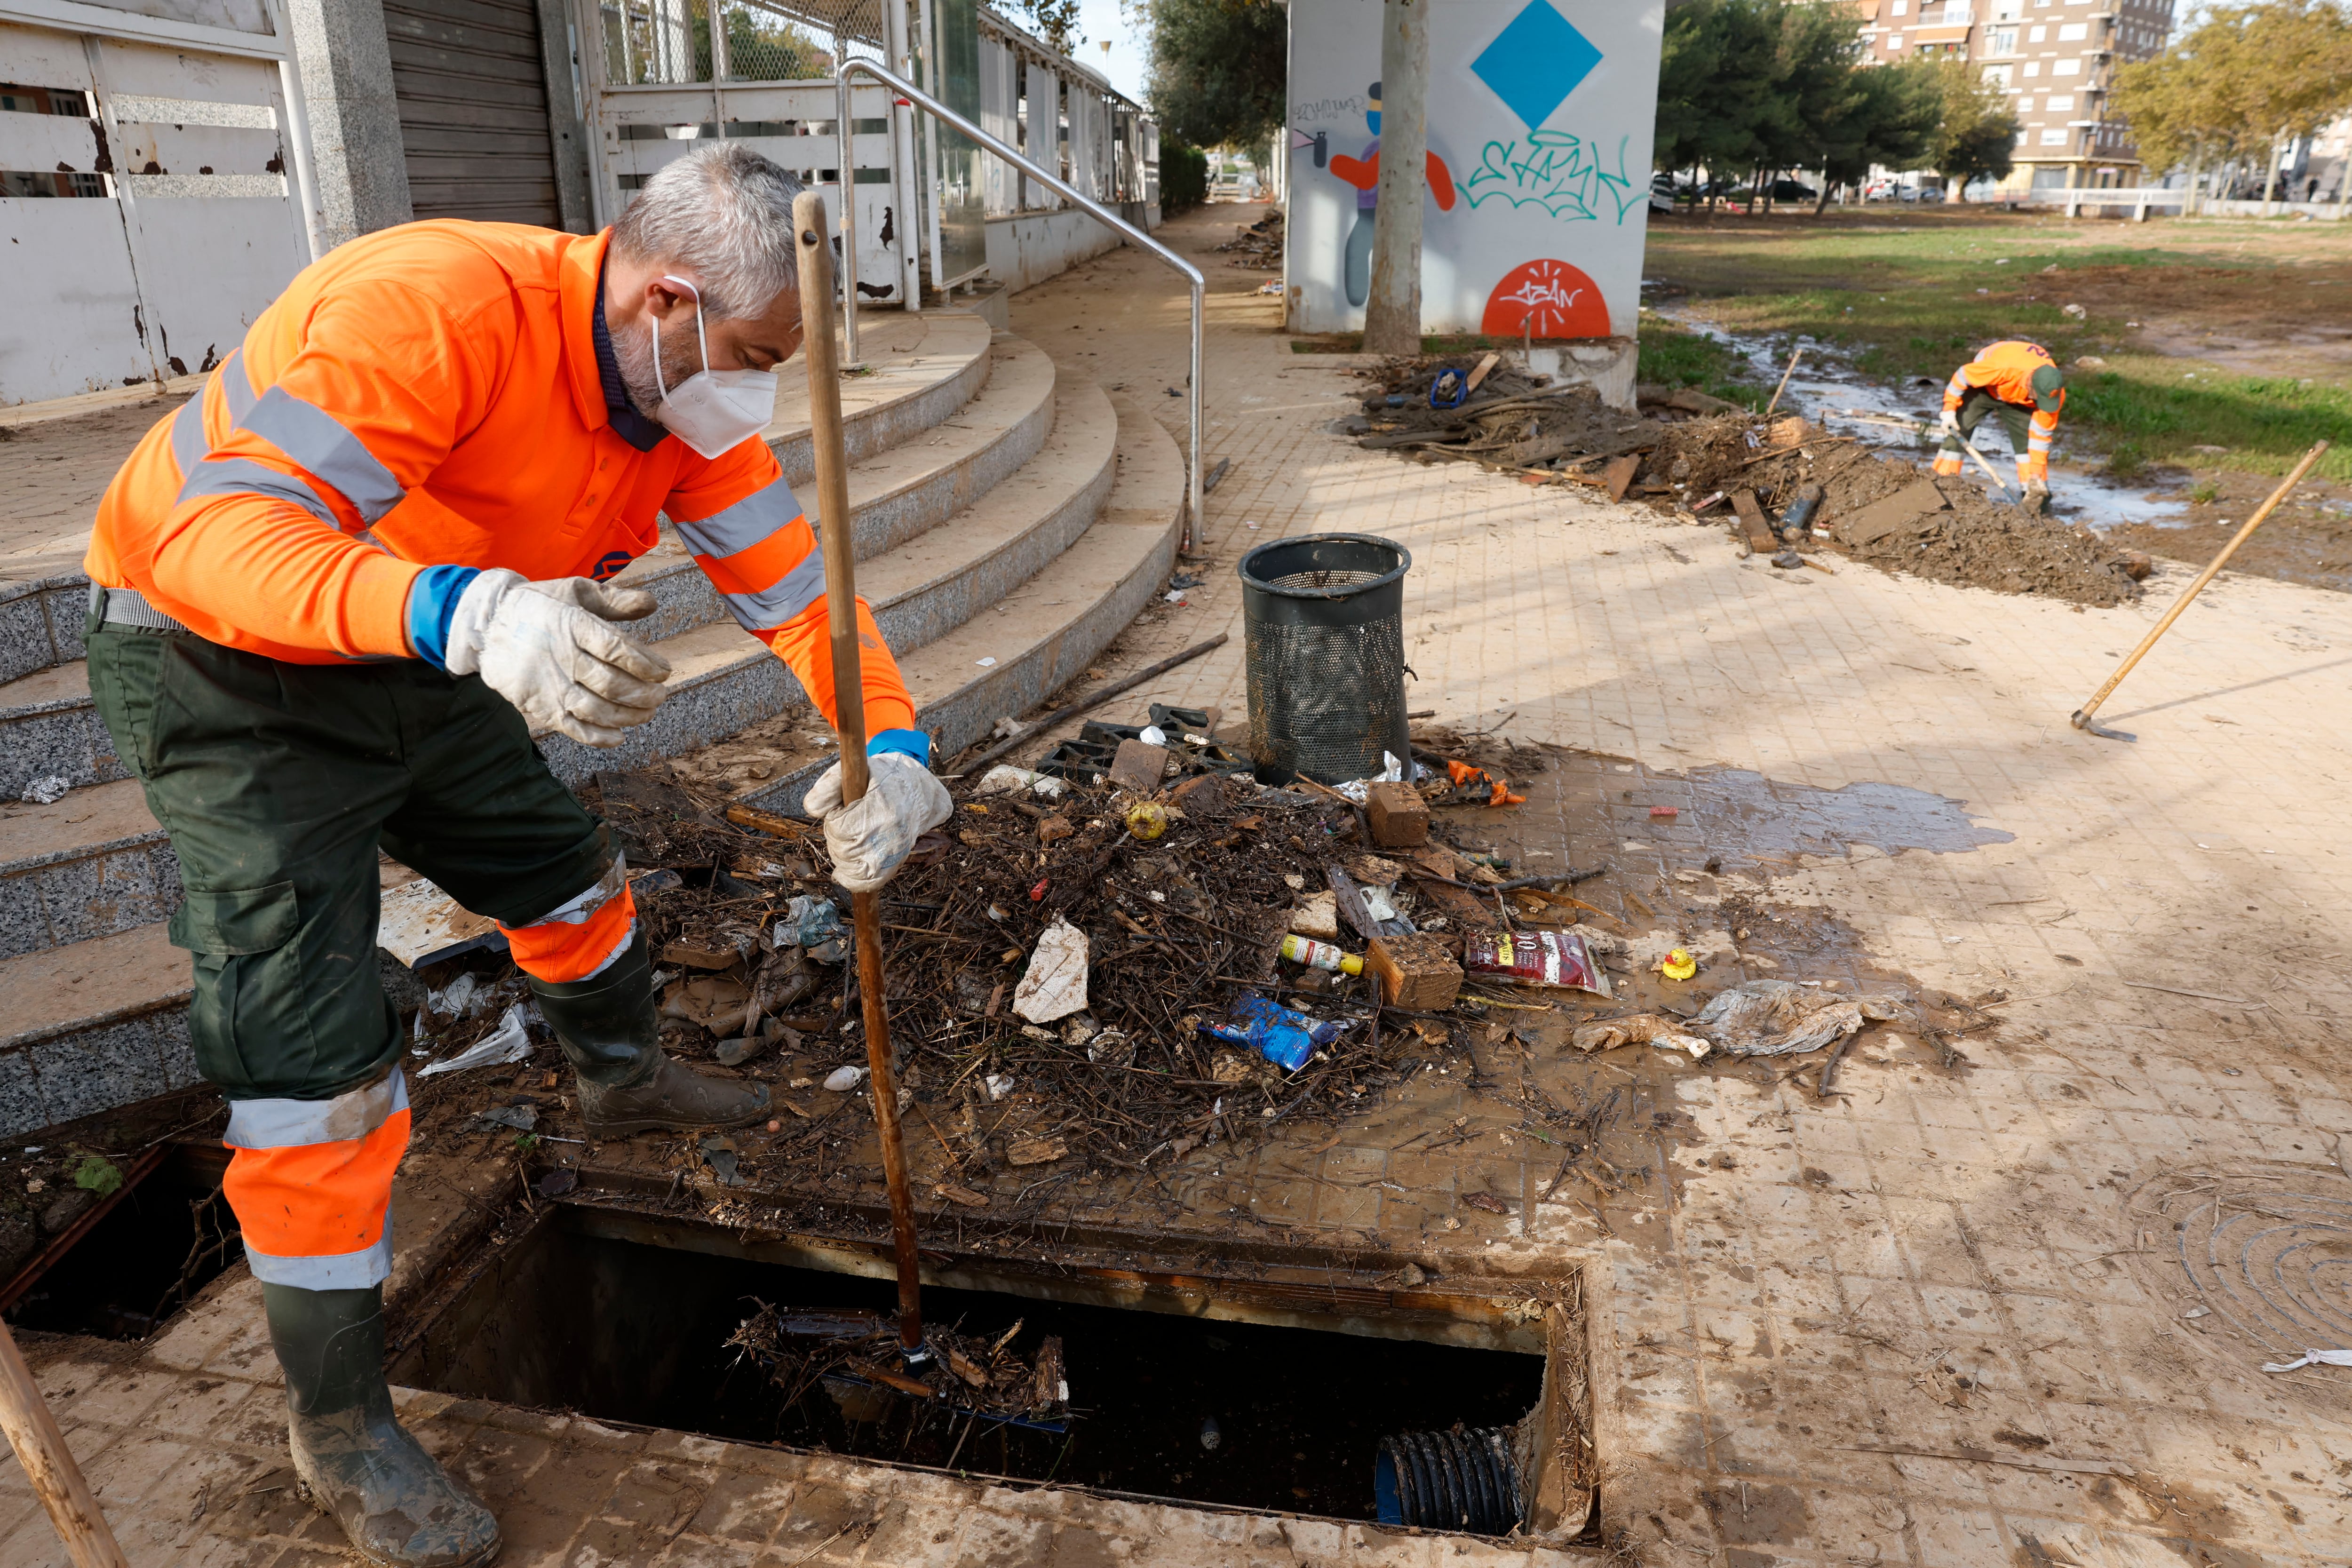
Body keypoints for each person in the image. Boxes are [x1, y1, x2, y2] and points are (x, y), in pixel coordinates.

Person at [80, 143, 951, 1567]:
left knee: (567, 875)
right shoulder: (435, 311)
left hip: (411, 636)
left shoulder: (679, 403)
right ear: (663, 298)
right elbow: (212, 535)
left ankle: (619, 1080)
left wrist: (899, 753)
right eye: (750, 352)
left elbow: (806, 604)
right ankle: (339, 1423)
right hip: (216, 661)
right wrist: (475, 618)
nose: (756, 393)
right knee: (313, 1056)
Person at [1935, 338, 2066, 511]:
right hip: (1986, 388)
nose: (2040, 403)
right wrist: (1949, 409)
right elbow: (1962, 376)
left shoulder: (2052, 394)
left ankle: (2034, 502)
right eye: (2038, 398)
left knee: (2027, 447)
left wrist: (2036, 475)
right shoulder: (2002, 368)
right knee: (1958, 431)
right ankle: (1942, 486)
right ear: (2030, 384)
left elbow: (2040, 438)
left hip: (2017, 397)